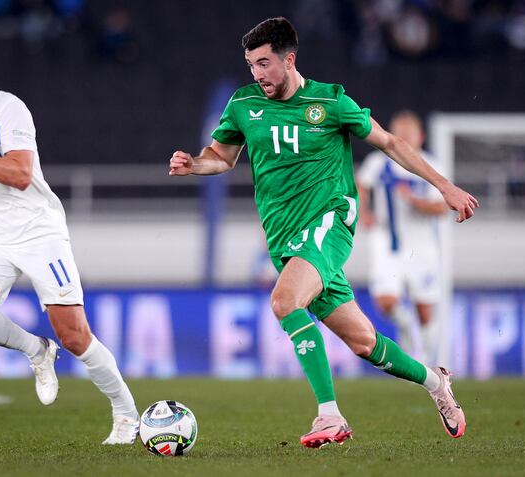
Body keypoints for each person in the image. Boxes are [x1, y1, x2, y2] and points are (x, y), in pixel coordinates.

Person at [169, 17, 478, 447]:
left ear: (288, 59)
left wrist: (444, 186)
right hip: (285, 238)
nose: (257, 74)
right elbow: (221, 157)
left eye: (264, 63)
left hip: (330, 222)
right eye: (250, 65)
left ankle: (329, 416)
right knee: (364, 342)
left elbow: (390, 144)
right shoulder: (243, 105)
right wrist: (194, 165)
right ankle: (436, 383)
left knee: (284, 301)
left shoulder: (329, 102)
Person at [0, 28, 139, 445]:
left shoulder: (10, 110)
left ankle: (126, 415)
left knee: (75, 335)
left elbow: (21, 176)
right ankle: (35, 350)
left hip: (39, 232)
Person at [356, 110, 446, 364]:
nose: (404, 140)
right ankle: (404, 324)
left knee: (425, 310)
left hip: (422, 246)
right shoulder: (379, 163)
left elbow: (441, 208)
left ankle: (430, 365)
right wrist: (364, 212)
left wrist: (415, 200)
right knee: (385, 302)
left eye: (409, 136)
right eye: (399, 135)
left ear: (421, 137)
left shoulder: (432, 166)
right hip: (387, 241)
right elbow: (361, 184)